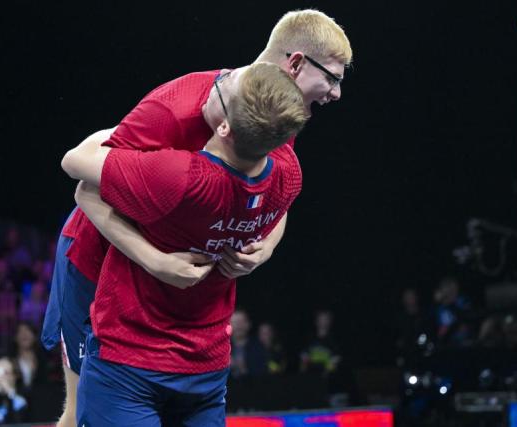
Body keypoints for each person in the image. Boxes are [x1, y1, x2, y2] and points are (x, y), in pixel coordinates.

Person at [41, 9, 352, 426]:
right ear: (295, 63)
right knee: (78, 413)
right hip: (99, 257)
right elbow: (87, 187)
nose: (335, 92)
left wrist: (265, 248)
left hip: (176, 306)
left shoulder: (275, 114)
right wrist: (153, 259)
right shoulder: (175, 108)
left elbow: (279, 195)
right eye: (331, 77)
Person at [69, 61, 308, 426]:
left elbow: (78, 168)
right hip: (207, 365)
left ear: (224, 127)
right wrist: (268, 246)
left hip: (129, 362)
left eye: (223, 88)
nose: (217, 81)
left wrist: (153, 260)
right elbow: (281, 208)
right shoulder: (288, 174)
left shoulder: (178, 177)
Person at [8, 321, 48, 392]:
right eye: (20, 331)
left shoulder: (42, 359)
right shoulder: (8, 360)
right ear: (15, 338)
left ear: (35, 337)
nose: (24, 334)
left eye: (28, 330)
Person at [229, 309, 268, 379]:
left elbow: (264, 374)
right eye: (235, 322)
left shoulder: (259, 347)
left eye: (241, 321)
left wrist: (244, 369)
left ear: (249, 324)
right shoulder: (221, 349)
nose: (238, 325)